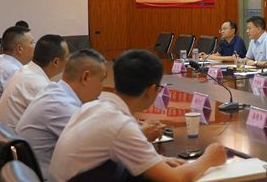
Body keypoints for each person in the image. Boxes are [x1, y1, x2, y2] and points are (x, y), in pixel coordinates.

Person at [50, 50, 226, 182]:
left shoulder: (94, 106)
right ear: (151, 90)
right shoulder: (119, 124)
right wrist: (209, 158)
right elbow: (176, 179)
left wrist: (157, 160)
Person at [16, 49, 107, 177]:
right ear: (85, 77)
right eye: (101, 80)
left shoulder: (54, 89)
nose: (102, 88)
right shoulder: (60, 105)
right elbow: (99, 146)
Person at [0, 34, 68, 128]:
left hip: (3, 133)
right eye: (67, 56)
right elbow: (61, 123)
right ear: (56, 62)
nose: (69, 60)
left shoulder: (25, 70)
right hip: (13, 136)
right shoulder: (39, 85)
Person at [0, 26, 34, 128]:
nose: (34, 46)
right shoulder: (13, 71)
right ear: (20, 48)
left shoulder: (2, 64)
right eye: (32, 42)